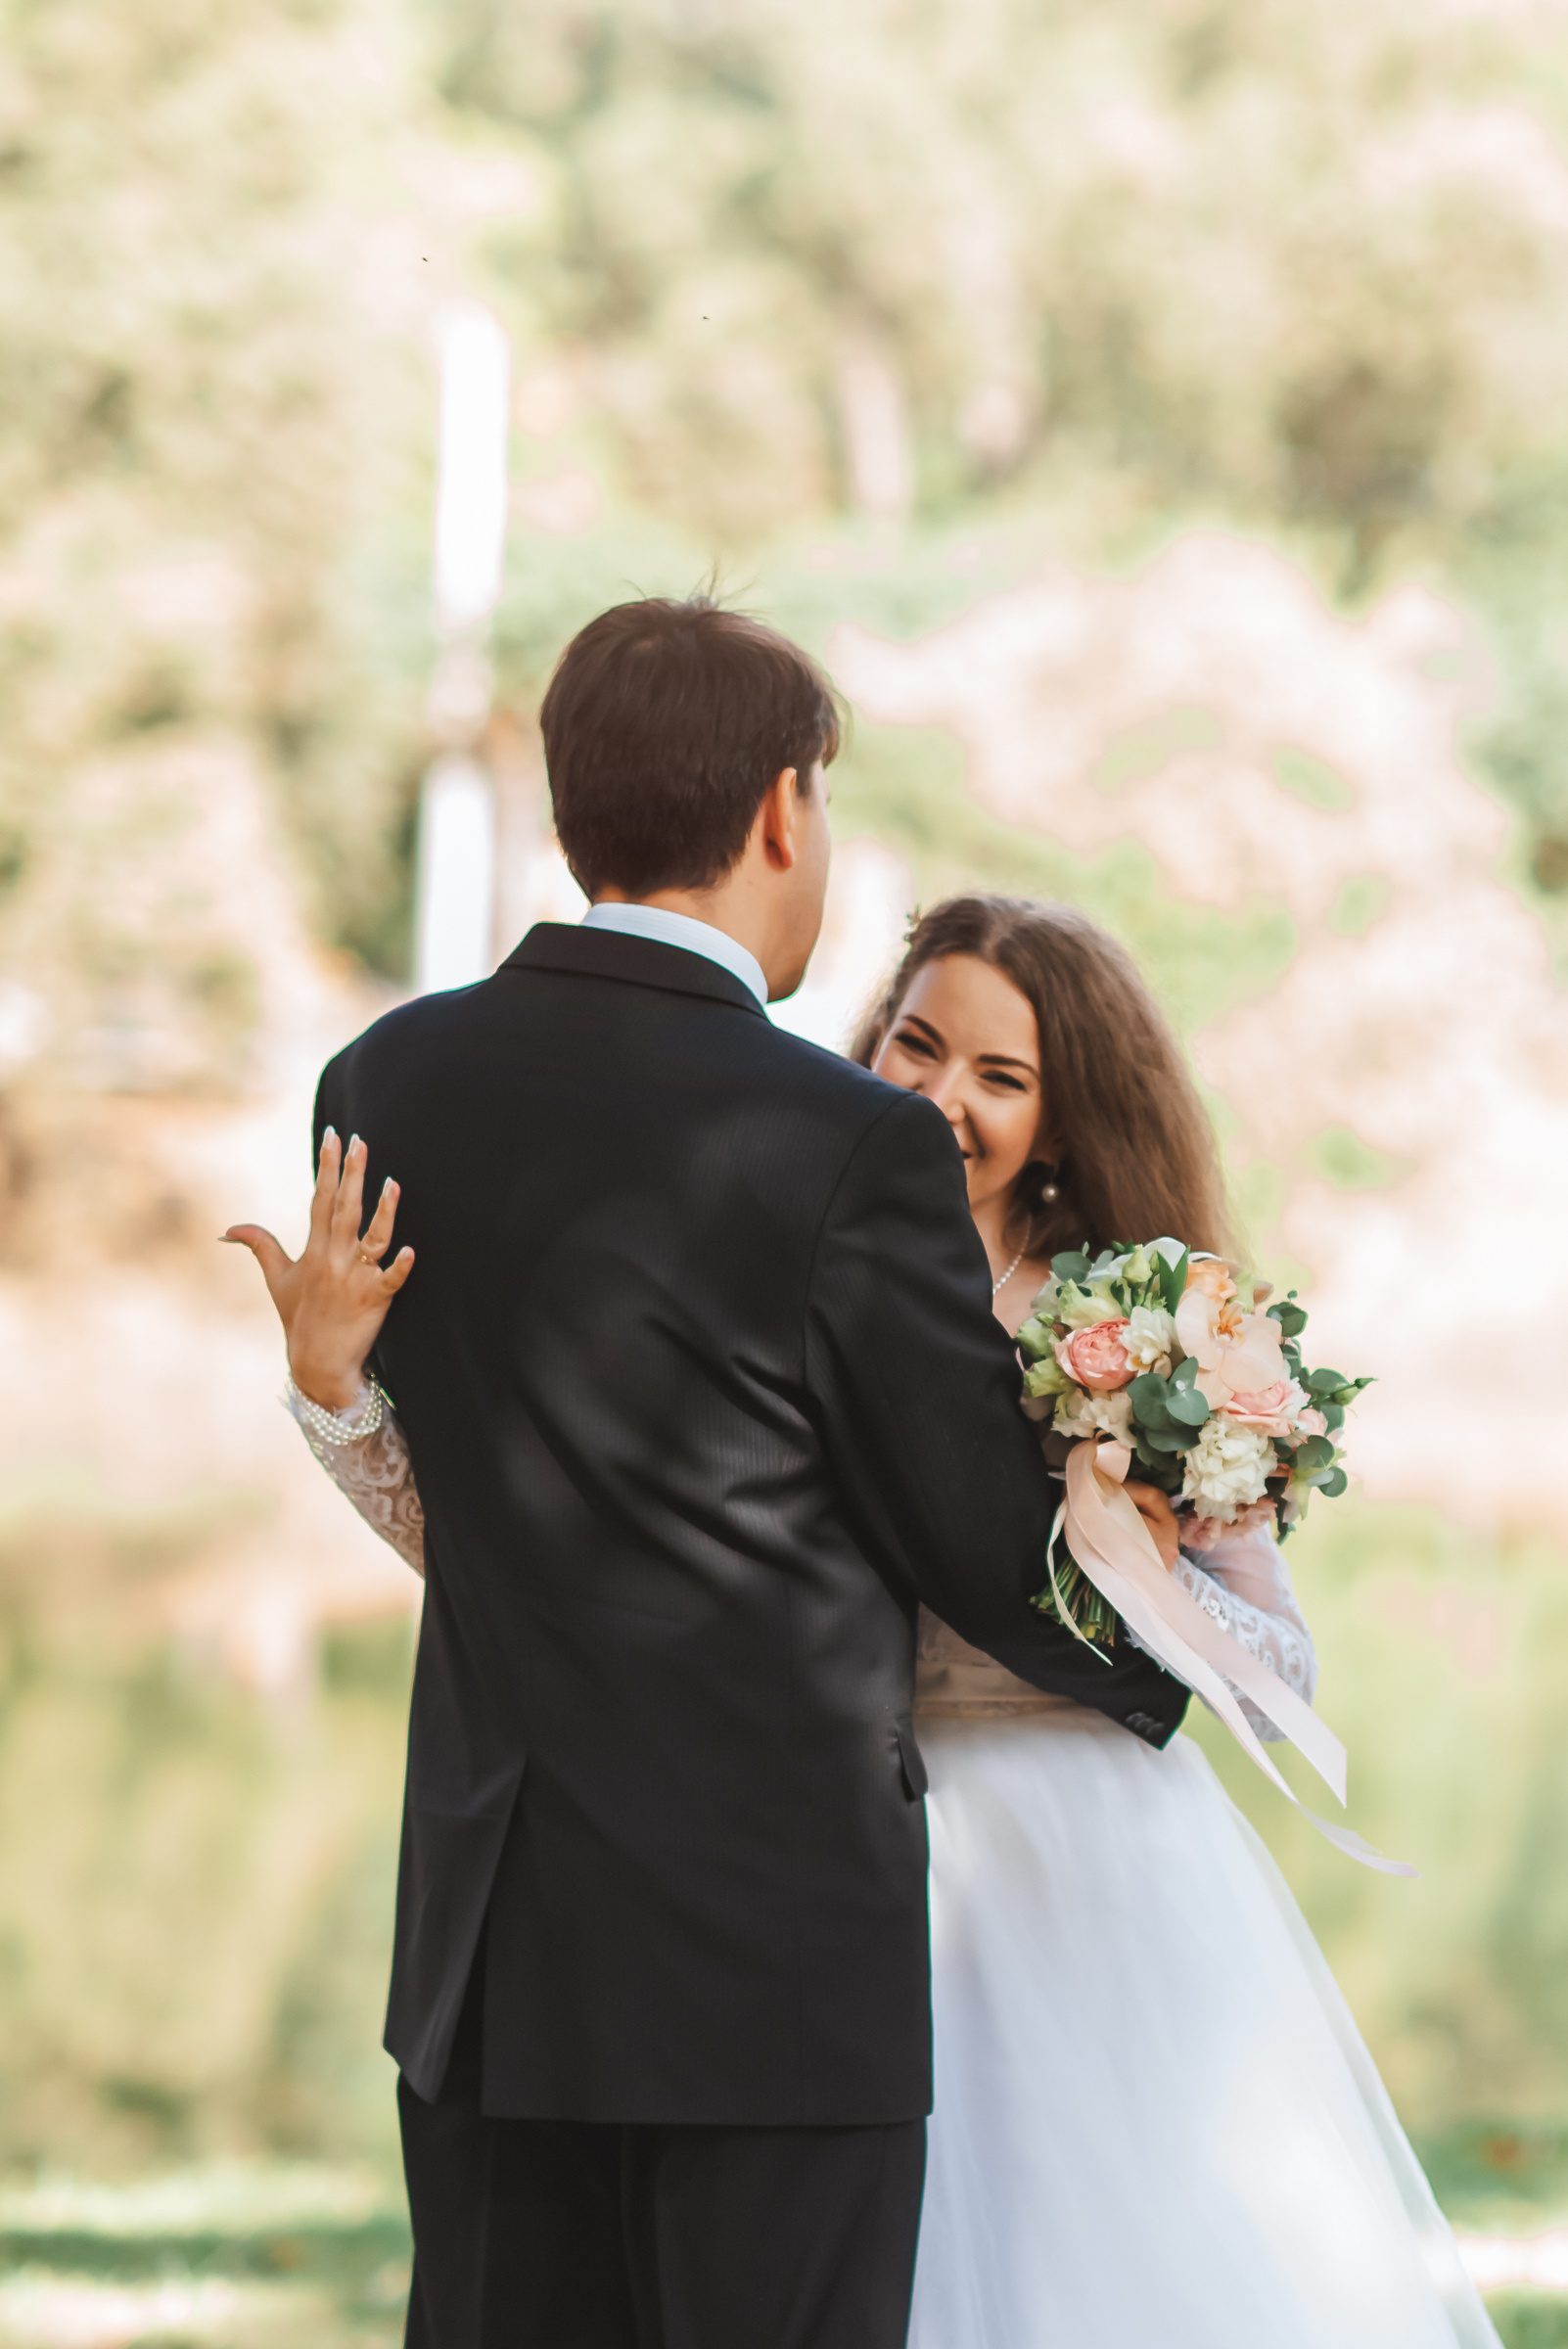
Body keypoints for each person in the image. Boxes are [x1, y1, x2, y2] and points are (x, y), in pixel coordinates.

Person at [246, 885, 1502, 2348]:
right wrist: (334, 1397)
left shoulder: (1155, 1336)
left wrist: (1139, 1572)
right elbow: (530, 1556)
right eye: (918, 1043)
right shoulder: (758, 1250)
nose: (942, 1097)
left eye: (1001, 1075)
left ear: (1068, 1118)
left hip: (1072, 1871)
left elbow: (1277, 1673)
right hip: (809, 1864)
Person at [225, 597, 1186, 2349]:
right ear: (779, 811)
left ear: (568, 800)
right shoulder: (849, 1142)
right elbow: (975, 1542)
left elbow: (479, 1507)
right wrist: (1174, 1646)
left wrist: (327, 1398)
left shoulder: (383, 1081)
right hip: (768, 1977)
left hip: (492, 1962)